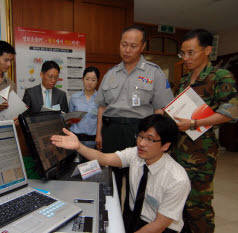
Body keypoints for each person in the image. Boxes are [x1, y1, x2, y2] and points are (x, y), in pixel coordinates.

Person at [51, 114, 191, 233]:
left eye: (149, 139)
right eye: (140, 136)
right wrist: (79, 146)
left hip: (160, 228)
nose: (141, 143)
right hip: (132, 217)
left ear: (166, 145)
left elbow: (159, 225)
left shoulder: (177, 179)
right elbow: (105, 158)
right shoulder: (135, 154)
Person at [95, 25, 174, 200]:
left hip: (138, 132)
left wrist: (152, 138)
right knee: (110, 181)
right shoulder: (110, 74)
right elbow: (101, 106)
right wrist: (99, 133)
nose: (127, 50)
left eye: (133, 46)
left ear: (142, 46)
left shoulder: (155, 73)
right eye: (124, 44)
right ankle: (110, 220)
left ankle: (131, 221)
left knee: (136, 182)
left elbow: (160, 109)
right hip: (111, 131)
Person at [173, 29, 238, 233]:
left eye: (191, 53)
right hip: (178, 151)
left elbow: (231, 112)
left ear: (208, 50)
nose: (186, 58)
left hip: (201, 155)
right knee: (180, 204)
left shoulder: (220, 76)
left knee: (198, 207)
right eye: (183, 53)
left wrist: (192, 123)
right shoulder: (185, 80)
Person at [69, 66, 100, 149]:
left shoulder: (100, 99)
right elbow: (69, 119)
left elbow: (101, 121)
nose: (90, 82)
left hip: (92, 140)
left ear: (97, 81)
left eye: (93, 80)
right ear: (82, 79)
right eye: (87, 79)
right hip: (75, 138)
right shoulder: (74, 97)